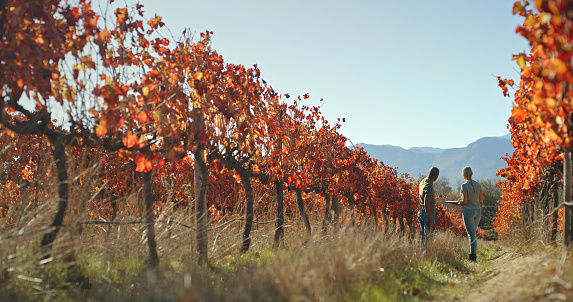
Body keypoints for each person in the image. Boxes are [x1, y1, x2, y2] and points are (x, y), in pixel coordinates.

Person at [456, 166, 483, 262]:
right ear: (471, 173)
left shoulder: (464, 185)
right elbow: (481, 199)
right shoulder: (478, 185)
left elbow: (465, 201)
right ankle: (473, 255)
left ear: (463, 175)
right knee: (473, 234)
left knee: (471, 235)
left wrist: (459, 202)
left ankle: (473, 257)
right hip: (478, 211)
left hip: (468, 212)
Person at [418, 167, 439, 243]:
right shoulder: (429, 187)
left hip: (420, 212)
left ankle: (422, 254)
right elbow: (427, 205)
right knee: (428, 240)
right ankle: (427, 254)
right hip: (427, 214)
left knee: (423, 238)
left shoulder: (423, 182)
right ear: (436, 176)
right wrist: (432, 222)